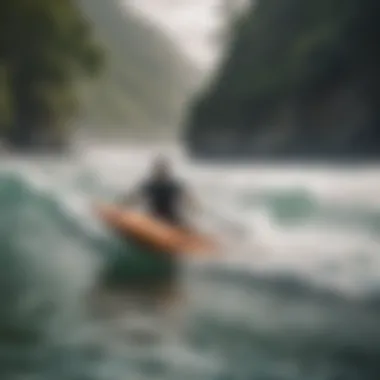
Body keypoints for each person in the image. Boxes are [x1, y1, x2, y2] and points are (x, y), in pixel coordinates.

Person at [121, 155, 198, 229]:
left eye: (162, 169)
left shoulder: (173, 185)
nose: (160, 171)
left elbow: (190, 200)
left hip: (170, 218)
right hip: (154, 218)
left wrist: (192, 209)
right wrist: (124, 206)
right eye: (159, 169)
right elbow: (134, 198)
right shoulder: (149, 184)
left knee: (186, 226)